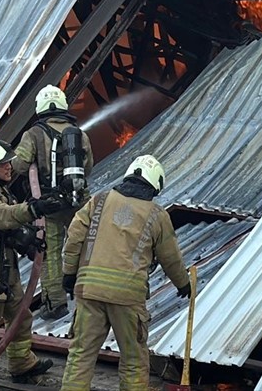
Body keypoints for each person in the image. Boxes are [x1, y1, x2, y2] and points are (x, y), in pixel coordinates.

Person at [60, 155, 190, 391]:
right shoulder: (157, 215)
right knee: (133, 360)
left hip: (89, 291)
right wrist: (183, 284)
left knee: (81, 355)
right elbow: (170, 257)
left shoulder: (98, 201)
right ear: (155, 184)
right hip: (127, 298)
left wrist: (69, 274)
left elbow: (74, 237)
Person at [0, 138, 66, 390]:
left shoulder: (0, 192)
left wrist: (26, 244)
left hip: (2, 271)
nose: (9, 167)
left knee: (20, 318)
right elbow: (5, 217)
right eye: (2, 164)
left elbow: (6, 229)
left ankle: (21, 364)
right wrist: (34, 208)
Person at [12, 84, 95, 320]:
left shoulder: (34, 134)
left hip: (50, 203)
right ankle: (88, 299)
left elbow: (18, 165)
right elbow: (88, 166)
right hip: (80, 200)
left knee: (51, 253)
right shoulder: (78, 132)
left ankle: (55, 304)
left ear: (40, 107)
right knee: (85, 247)